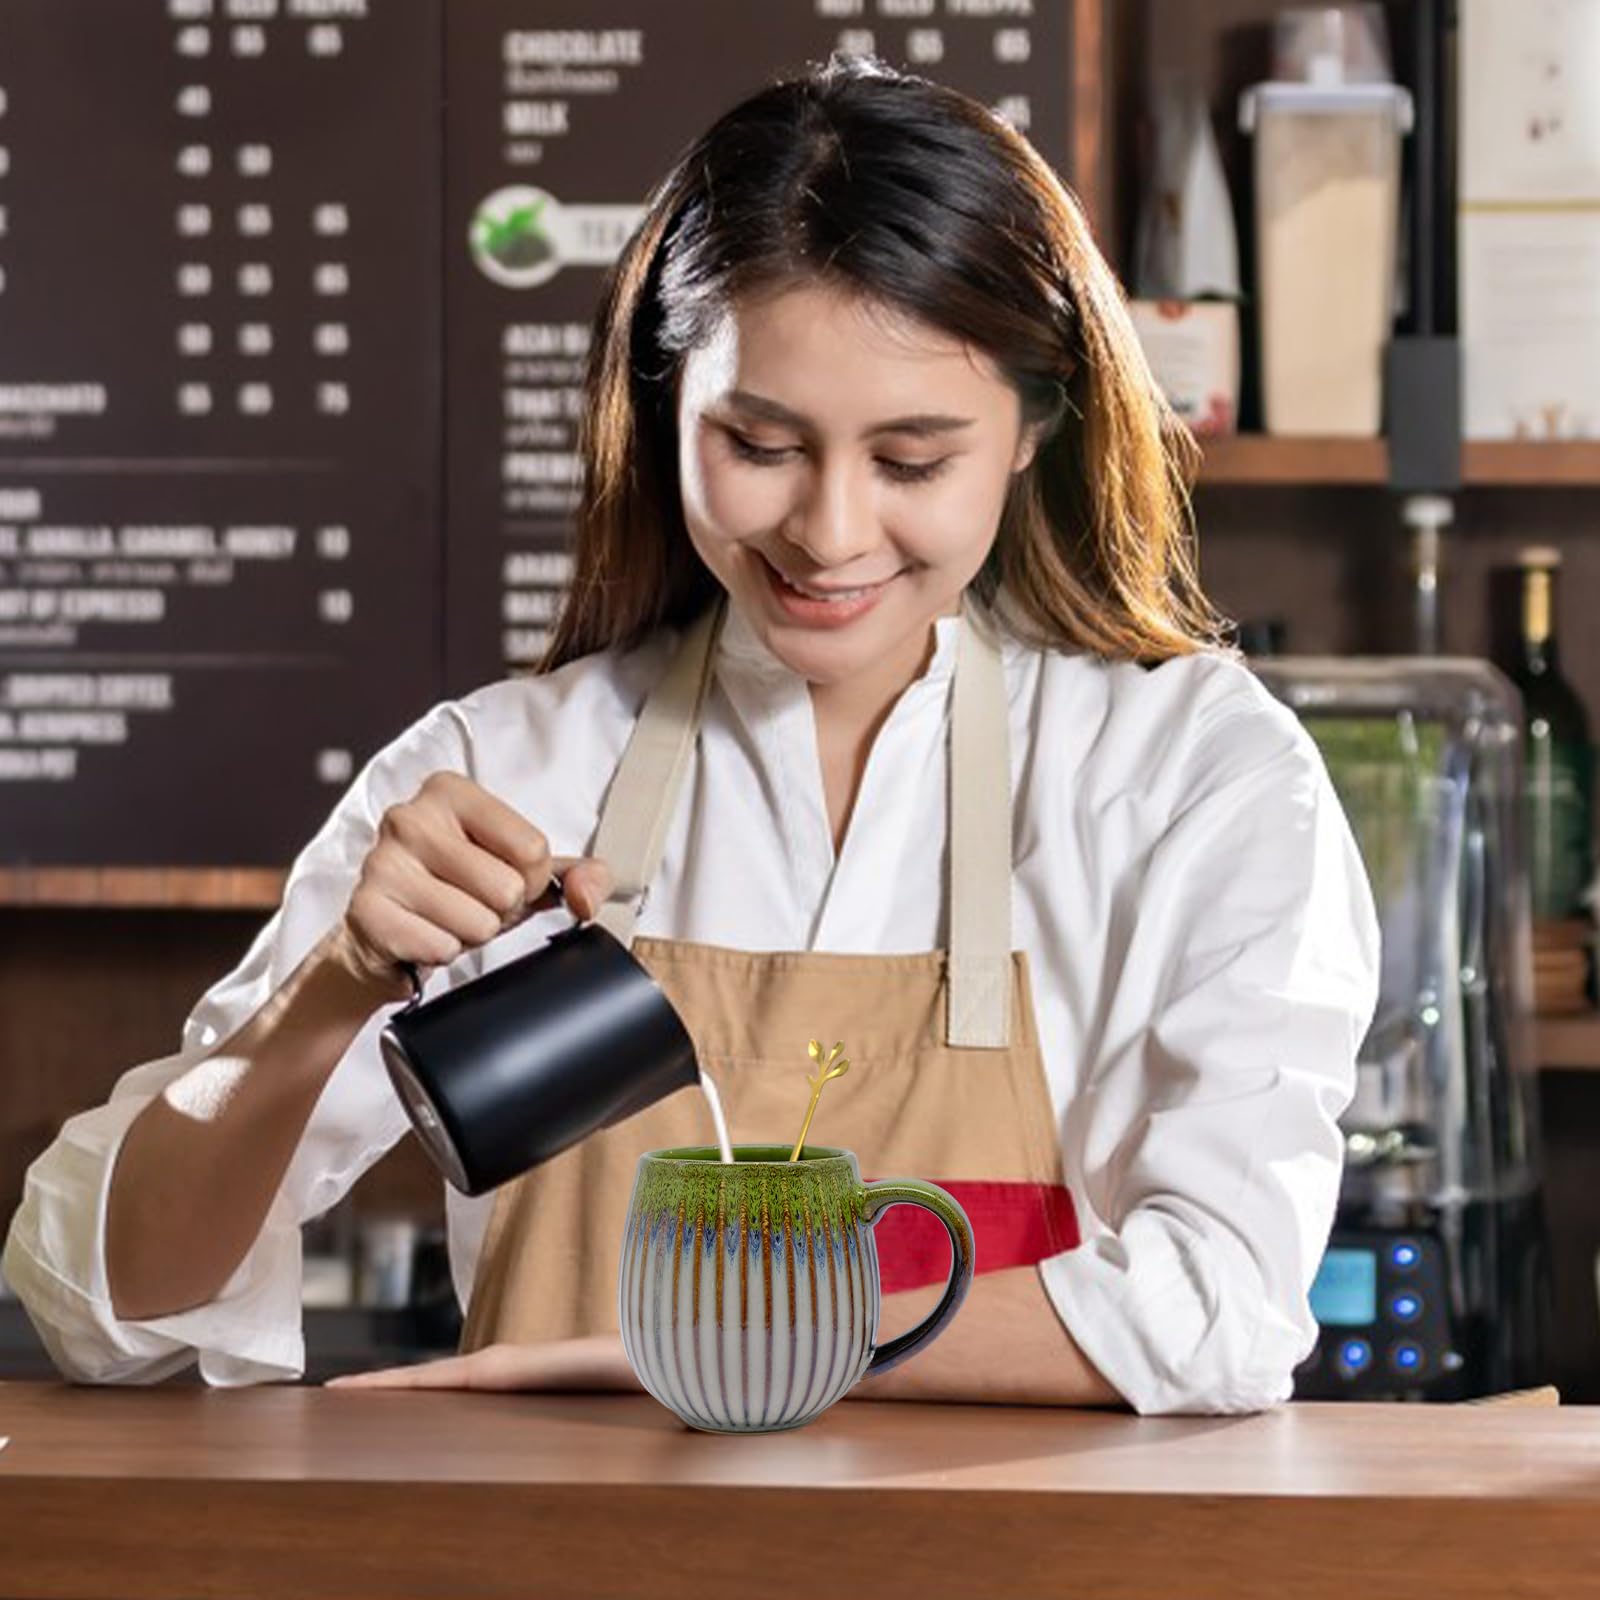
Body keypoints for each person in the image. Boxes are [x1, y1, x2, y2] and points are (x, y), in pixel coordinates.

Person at [3, 56, 1379, 1415]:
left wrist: (674, 1349)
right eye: (761, 443)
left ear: (1033, 427)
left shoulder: (1191, 775)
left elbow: (1220, 1313)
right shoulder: (502, 775)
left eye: (912, 460)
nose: (831, 532)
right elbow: (106, 1317)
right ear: (667, 403)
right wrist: (329, 1000)